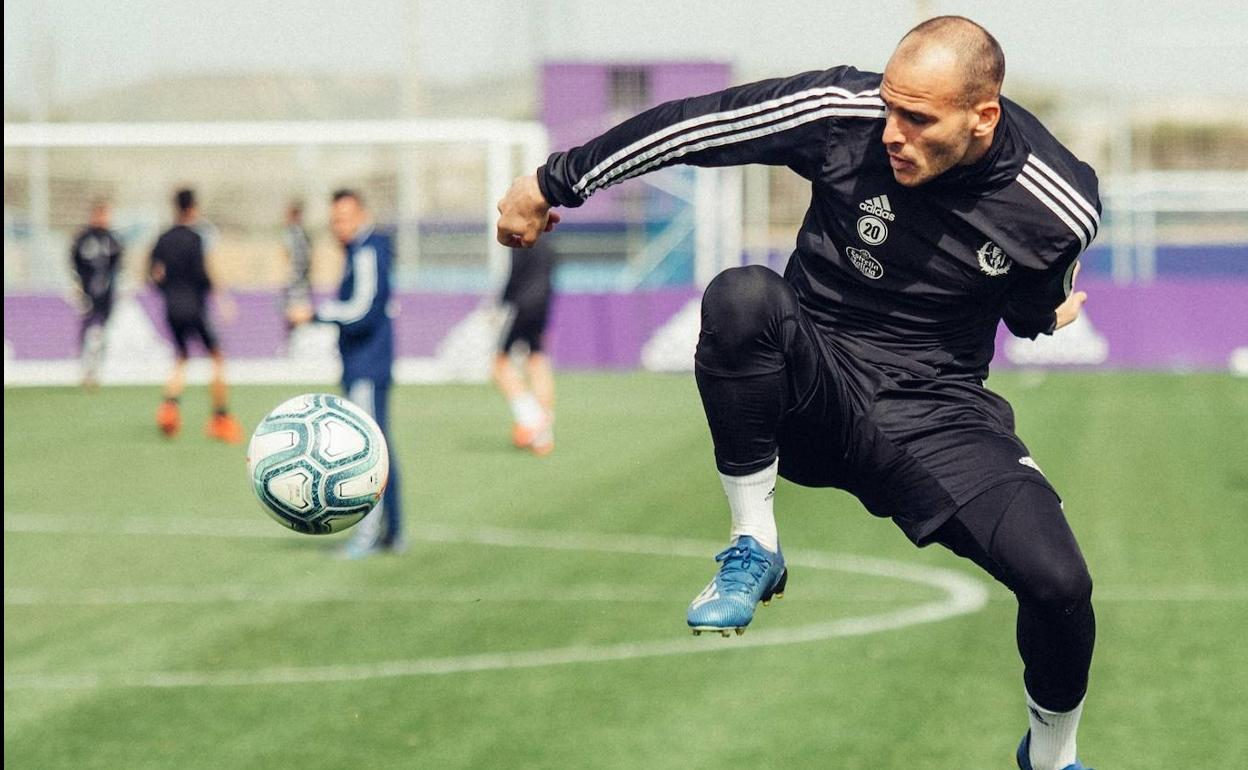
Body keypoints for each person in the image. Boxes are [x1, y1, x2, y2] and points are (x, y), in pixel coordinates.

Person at [497, 17, 1098, 770]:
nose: (892, 132)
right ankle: (755, 543)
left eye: (917, 118)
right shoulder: (840, 115)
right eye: (889, 107)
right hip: (813, 389)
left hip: (938, 414)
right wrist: (555, 182)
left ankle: (1051, 755)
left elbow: (1026, 303)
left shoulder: (1060, 203)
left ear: (983, 116)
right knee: (744, 295)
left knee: (1060, 585)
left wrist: (1047, 314)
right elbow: (699, 125)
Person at [288, 189, 404, 558]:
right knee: (379, 446)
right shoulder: (360, 250)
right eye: (335, 219)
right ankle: (392, 533)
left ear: (362, 214)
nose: (340, 226)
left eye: (346, 217)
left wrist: (316, 314)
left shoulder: (368, 250)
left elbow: (363, 309)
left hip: (367, 365)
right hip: (365, 364)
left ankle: (369, 536)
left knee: (366, 452)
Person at [150, 188, 243, 443]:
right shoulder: (196, 238)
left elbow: (154, 273)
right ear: (193, 208)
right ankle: (220, 418)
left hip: (171, 307)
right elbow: (204, 273)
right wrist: (221, 297)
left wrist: (167, 290)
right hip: (194, 306)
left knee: (181, 357)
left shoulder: (163, 238)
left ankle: (169, 407)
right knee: (217, 357)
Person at [493, 240, 557, 455]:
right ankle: (544, 430)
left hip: (522, 305)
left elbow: (516, 275)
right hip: (543, 304)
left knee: (499, 364)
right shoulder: (549, 243)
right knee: (536, 358)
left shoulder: (520, 240)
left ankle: (532, 419)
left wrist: (501, 302)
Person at [70, 200, 124, 388]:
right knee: (88, 330)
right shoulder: (83, 238)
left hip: (106, 293)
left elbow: (118, 266)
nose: (103, 219)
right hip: (87, 292)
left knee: (102, 331)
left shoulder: (113, 239)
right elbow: (74, 263)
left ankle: (98, 369)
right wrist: (78, 286)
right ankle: (85, 369)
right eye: (100, 214)